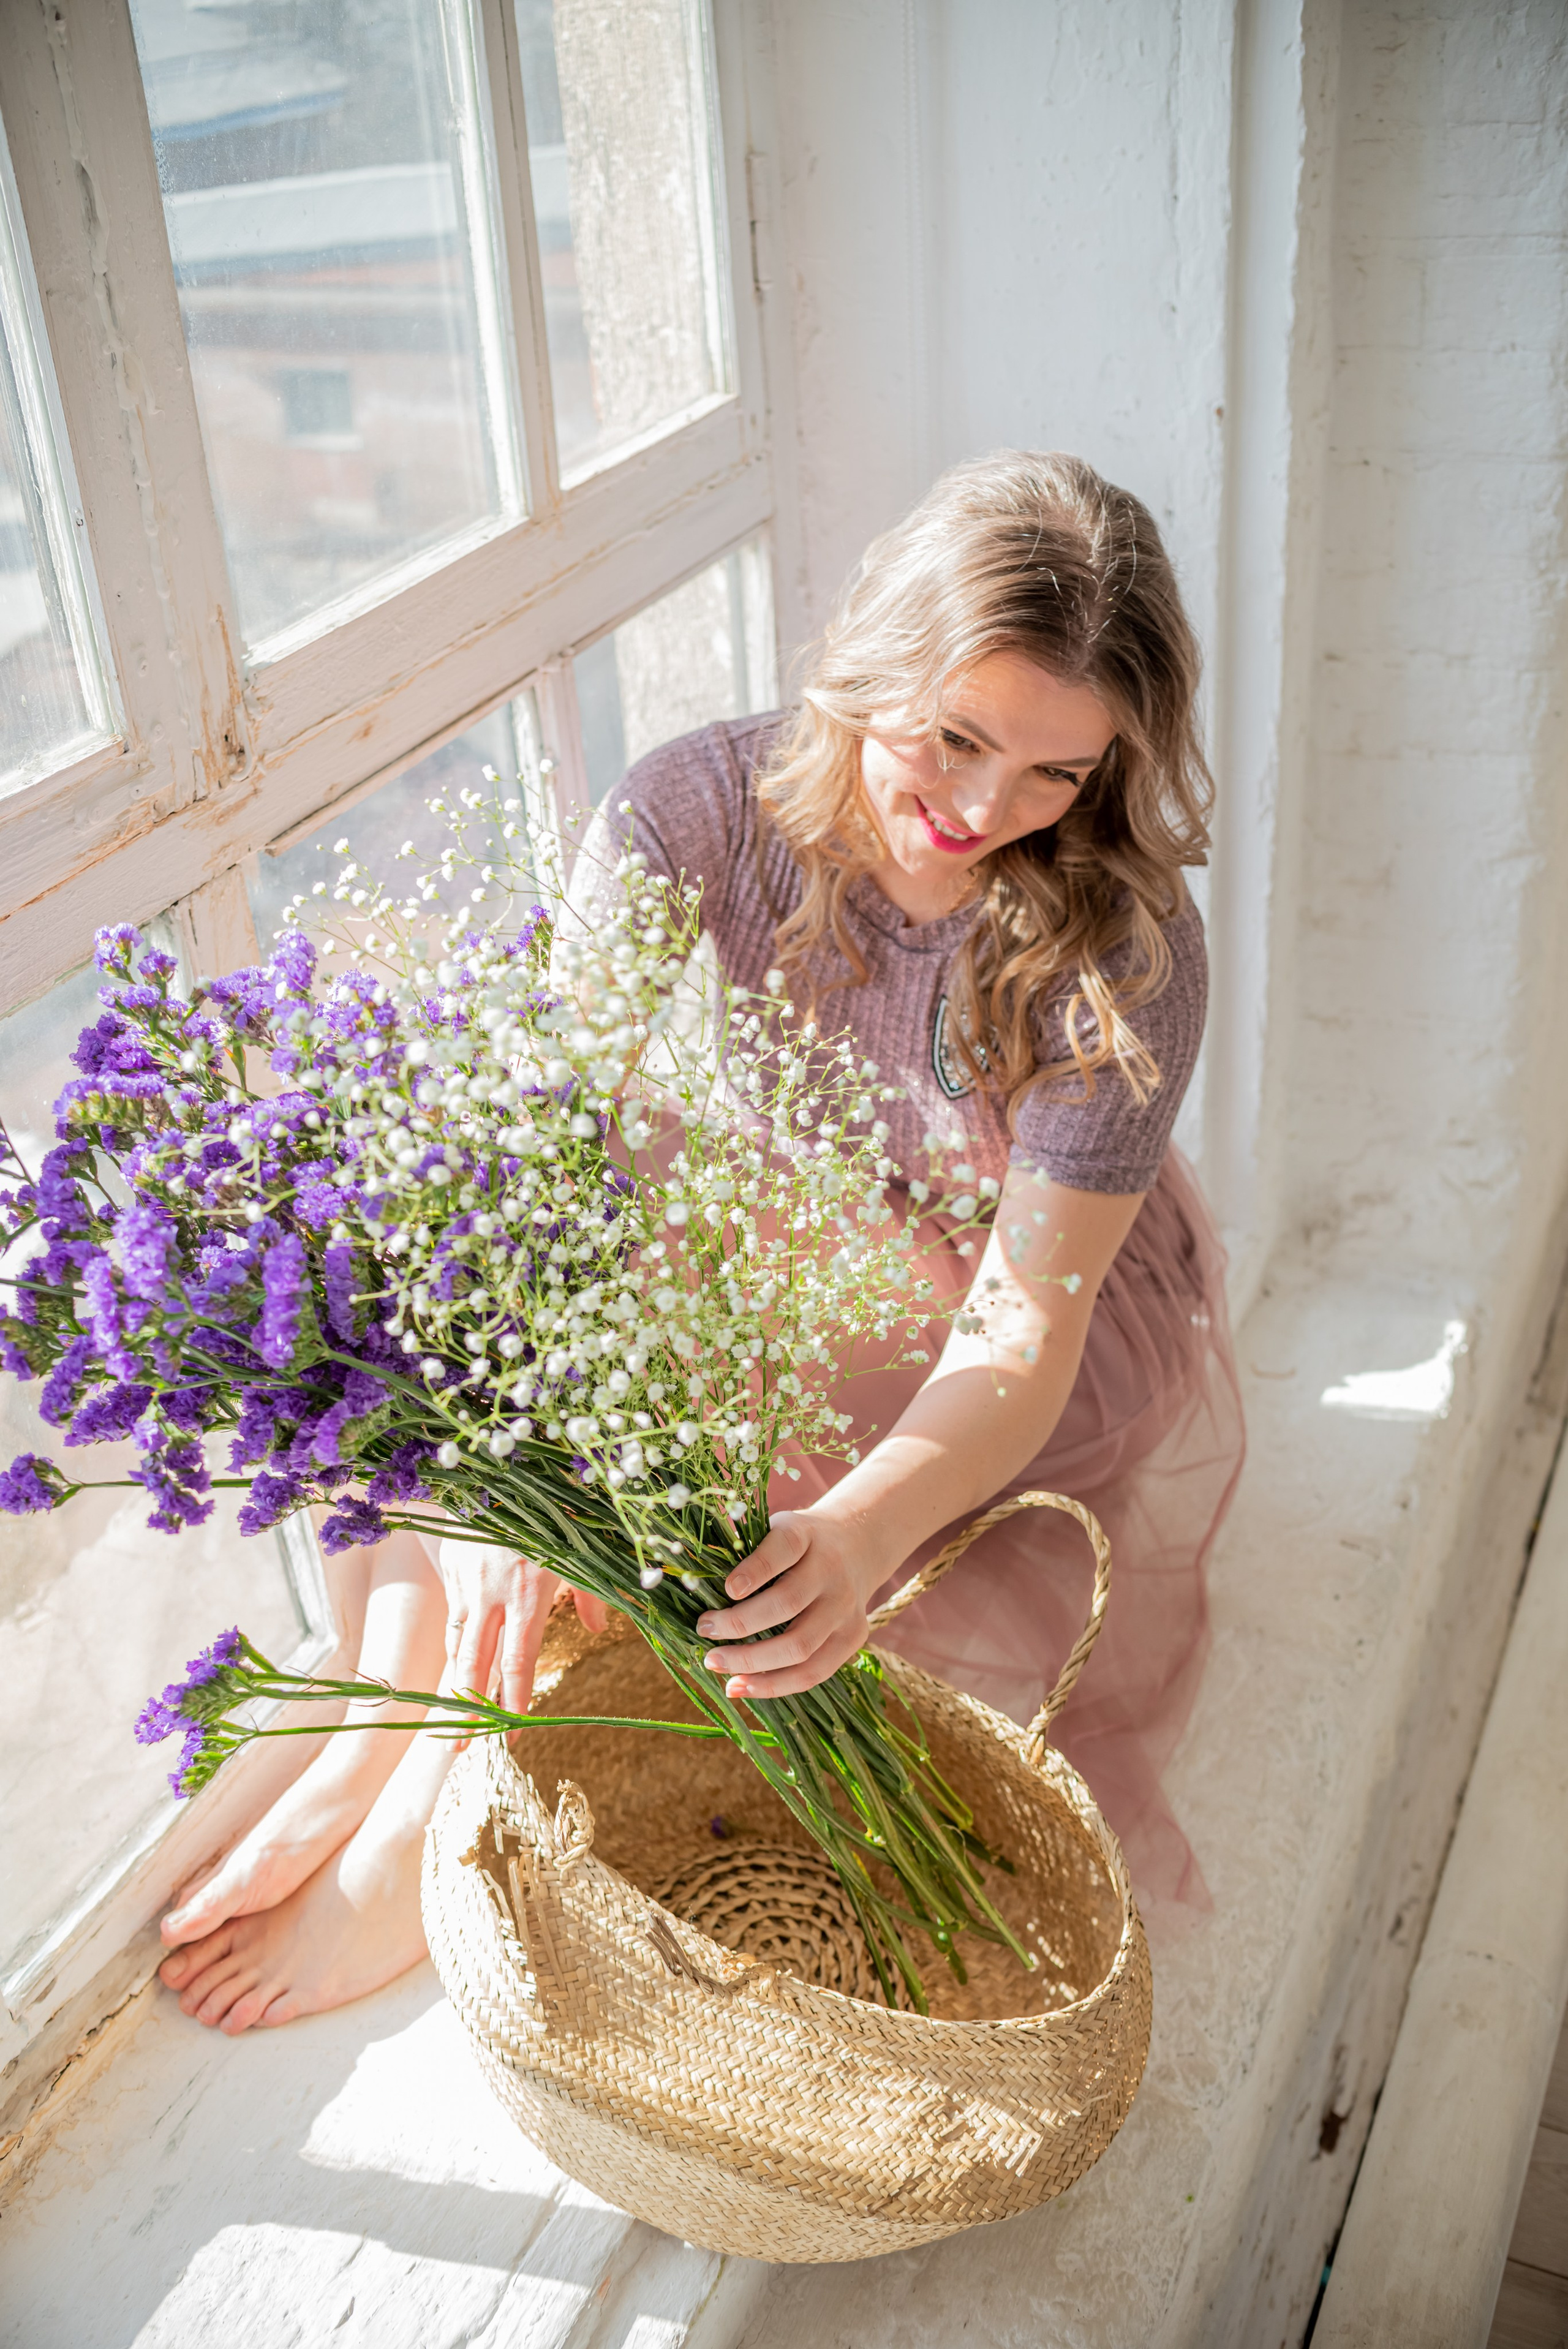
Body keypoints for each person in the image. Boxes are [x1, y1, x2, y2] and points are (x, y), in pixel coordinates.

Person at [156, 450, 1244, 2034]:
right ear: (875, 656)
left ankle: (419, 1818)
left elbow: (1024, 1329)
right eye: (954, 738)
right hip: (778, 1213)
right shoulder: (690, 810)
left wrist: (864, 1536)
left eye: (1056, 776)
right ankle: (383, 1700)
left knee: (723, 1449)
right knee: (415, 1286)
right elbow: (533, 1159)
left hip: (995, 1312)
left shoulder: (1127, 947)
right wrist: (503, 1494)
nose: (983, 813)